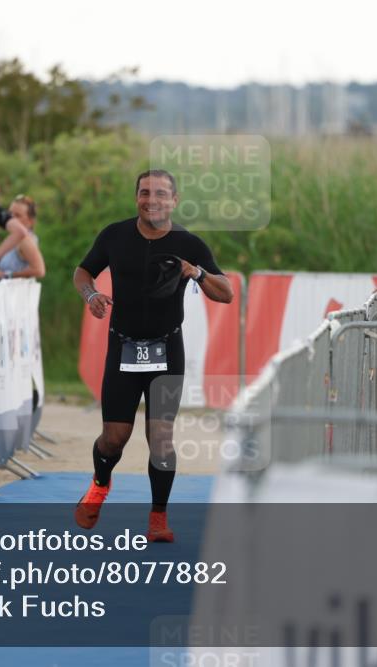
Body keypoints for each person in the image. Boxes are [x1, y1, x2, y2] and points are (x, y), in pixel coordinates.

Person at [72, 169, 233, 541]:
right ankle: (99, 484)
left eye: (161, 194)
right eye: (145, 193)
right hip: (123, 347)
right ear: (136, 198)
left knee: (160, 438)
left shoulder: (188, 243)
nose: (152, 200)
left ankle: (158, 517)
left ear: (174, 200)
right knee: (114, 438)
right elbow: (83, 272)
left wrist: (196, 273)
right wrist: (91, 295)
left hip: (166, 348)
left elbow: (225, 293)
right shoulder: (114, 235)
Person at [0, 194, 46, 280]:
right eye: (10, 214)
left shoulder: (25, 240)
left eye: (17, 215)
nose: (11, 218)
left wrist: (5, 274)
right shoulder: (16, 239)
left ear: (31, 221)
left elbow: (39, 270)